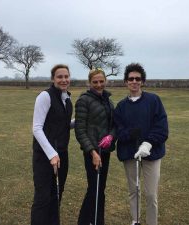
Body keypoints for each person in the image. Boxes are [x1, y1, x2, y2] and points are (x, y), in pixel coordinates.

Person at [114, 63, 168, 225]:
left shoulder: (153, 100)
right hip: (130, 154)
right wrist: (130, 134)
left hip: (152, 153)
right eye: (131, 79)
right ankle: (135, 220)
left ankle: (152, 222)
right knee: (133, 190)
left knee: (151, 194)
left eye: (138, 78)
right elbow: (119, 131)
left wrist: (148, 143)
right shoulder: (121, 107)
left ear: (142, 81)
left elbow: (161, 127)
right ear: (126, 82)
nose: (134, 81)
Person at [31, 64, 74, 225]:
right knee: (43, 197)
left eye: (66, 76)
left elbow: (62, 124)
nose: (64, 80)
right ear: (53, 79)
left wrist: (78, 122)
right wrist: (51, 154)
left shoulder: (66, 98)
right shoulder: (45, 96)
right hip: (44, 156)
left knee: (57, 194)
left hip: (61, 153)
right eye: (60, 77)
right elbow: (37, 128)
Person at [75, 68, 115, 225]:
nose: (99, 85)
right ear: (89, 83)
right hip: (92, 153)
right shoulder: (83, 100)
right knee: (94, 189)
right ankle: (85, 221)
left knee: (100, 190)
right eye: (95, 82)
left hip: (105, 151)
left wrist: (111, 136)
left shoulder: (108, 100)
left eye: (101, 81)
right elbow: (80, 130)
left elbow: (114, 123)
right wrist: (92, 152)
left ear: (105, 81)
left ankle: (98, 220)